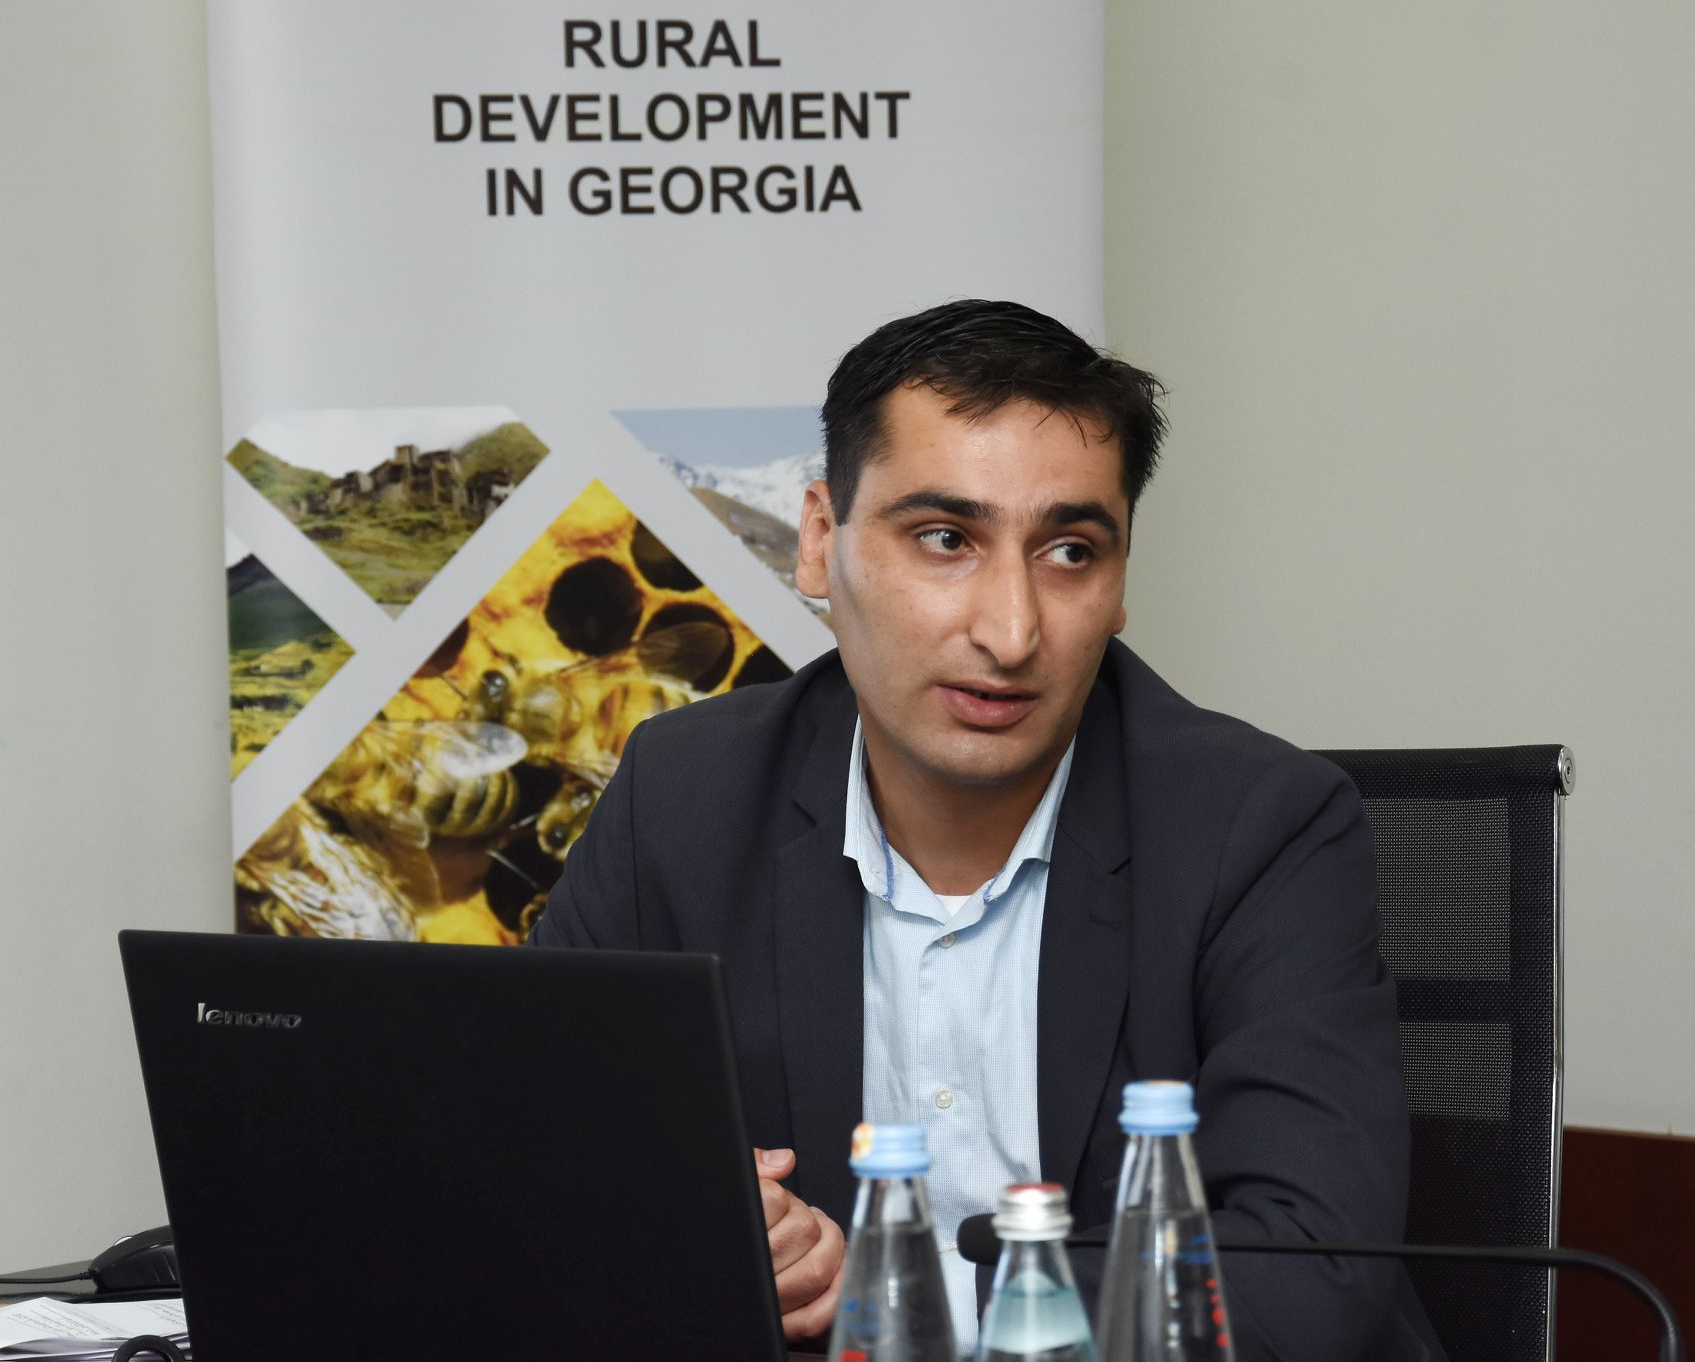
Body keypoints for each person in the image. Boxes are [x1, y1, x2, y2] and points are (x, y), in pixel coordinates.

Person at [530, 299, 1444, 1360]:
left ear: (1120, 581)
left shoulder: (1263, 824)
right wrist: (710, 1229)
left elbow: (1313, 1272)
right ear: (820, 543)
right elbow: (531, 1154)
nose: (1011, 632)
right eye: (945, 539)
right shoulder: (683, 797)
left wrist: (896, 1302)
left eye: (1070, 552)